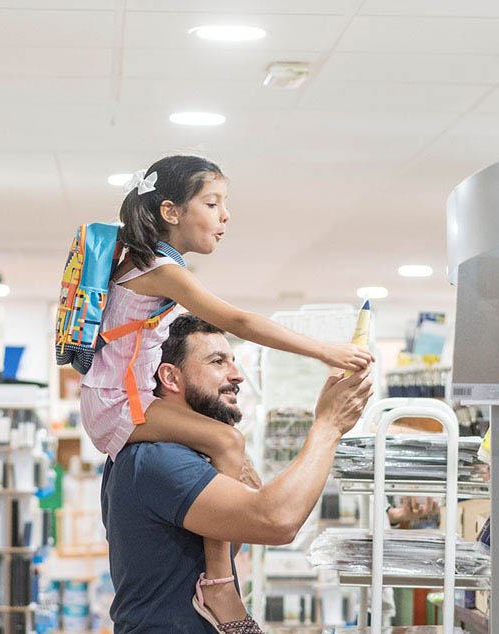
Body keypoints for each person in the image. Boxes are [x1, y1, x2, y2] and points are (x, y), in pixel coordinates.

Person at [80, 155, 374, 630]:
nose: (225, 216)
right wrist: (323, 350)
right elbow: (239, 321)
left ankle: (220, 583)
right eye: (212, 203)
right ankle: (220, 586)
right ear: (172, 212)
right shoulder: (160, 269)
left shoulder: (144, 263)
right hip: (120, 405)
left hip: (120, 399)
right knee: (229, 441)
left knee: (228, 447)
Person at [101, 314, 374, 633]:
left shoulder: (186, 453)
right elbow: (277, 521)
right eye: (218, 362)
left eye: (233, 361)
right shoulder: (159, 458)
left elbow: (234, 536)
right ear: (171, 378)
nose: (237, 375)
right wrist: (328, 426)